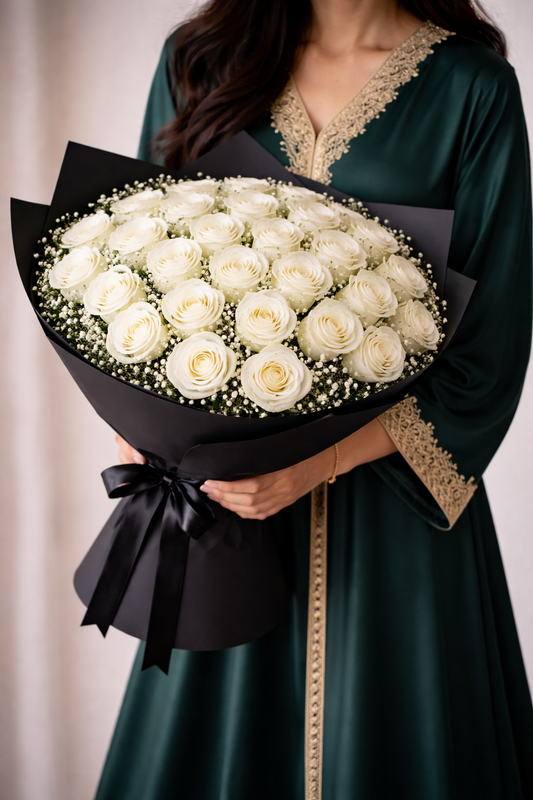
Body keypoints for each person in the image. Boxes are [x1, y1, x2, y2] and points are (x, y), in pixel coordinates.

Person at [96, 1, 533, 798]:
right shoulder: (198, 61)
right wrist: (144, 423)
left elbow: (489, 351)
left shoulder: (473, 89)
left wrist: (315, 464)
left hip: (397, 512)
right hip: (220, 507)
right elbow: (130, 269)